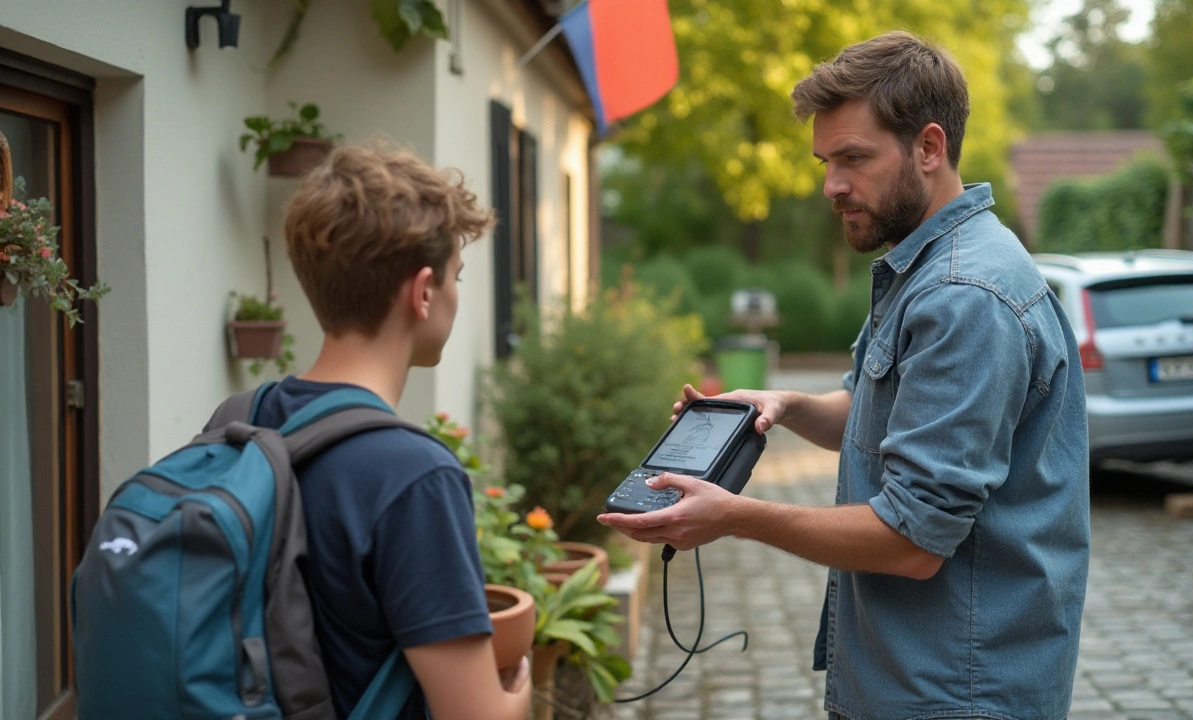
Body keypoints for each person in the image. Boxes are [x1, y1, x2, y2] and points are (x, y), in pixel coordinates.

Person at [599, 31, 1090, 720]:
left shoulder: (963, 296)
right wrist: (785, 404)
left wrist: (735, 517)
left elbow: (914, 540)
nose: (832, 185)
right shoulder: (924, 266)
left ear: (929, 146)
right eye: (826, 161)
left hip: (952, 694)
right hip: (910, 679)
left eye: (853, 159)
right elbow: (873, 412)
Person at [252, 144, 532, 720]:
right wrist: (519, 690)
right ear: (423, 291)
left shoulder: (243, 418)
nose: (456, 292)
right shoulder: (413, 476)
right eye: (457, 275)